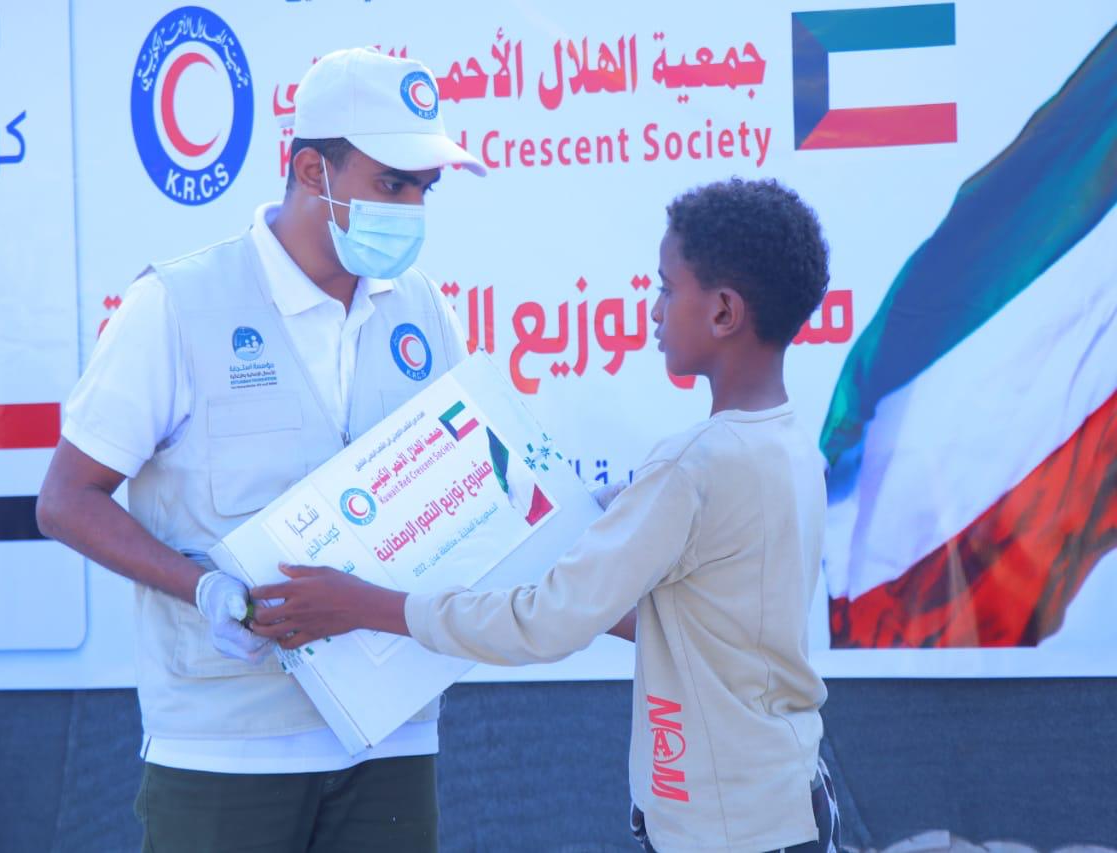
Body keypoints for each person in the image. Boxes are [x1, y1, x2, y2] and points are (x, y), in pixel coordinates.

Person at [248, 178, 842, 852]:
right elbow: (704, 625)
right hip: (784, 798)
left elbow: (544, 623)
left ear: (724, 312)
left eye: (667, 288)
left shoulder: (693, 468)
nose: (652, 309)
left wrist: (364, 604)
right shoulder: (790, 444)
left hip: (726, 828)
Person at [36, 47, 484, 852]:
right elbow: (66, 498)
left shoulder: (423, 311)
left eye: (426, 189)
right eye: (392, 184)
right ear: (313, 169)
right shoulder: (177, 304)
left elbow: (472, 484)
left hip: (394, 732)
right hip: (223, 744)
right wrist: (202, 586)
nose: (413, 207)